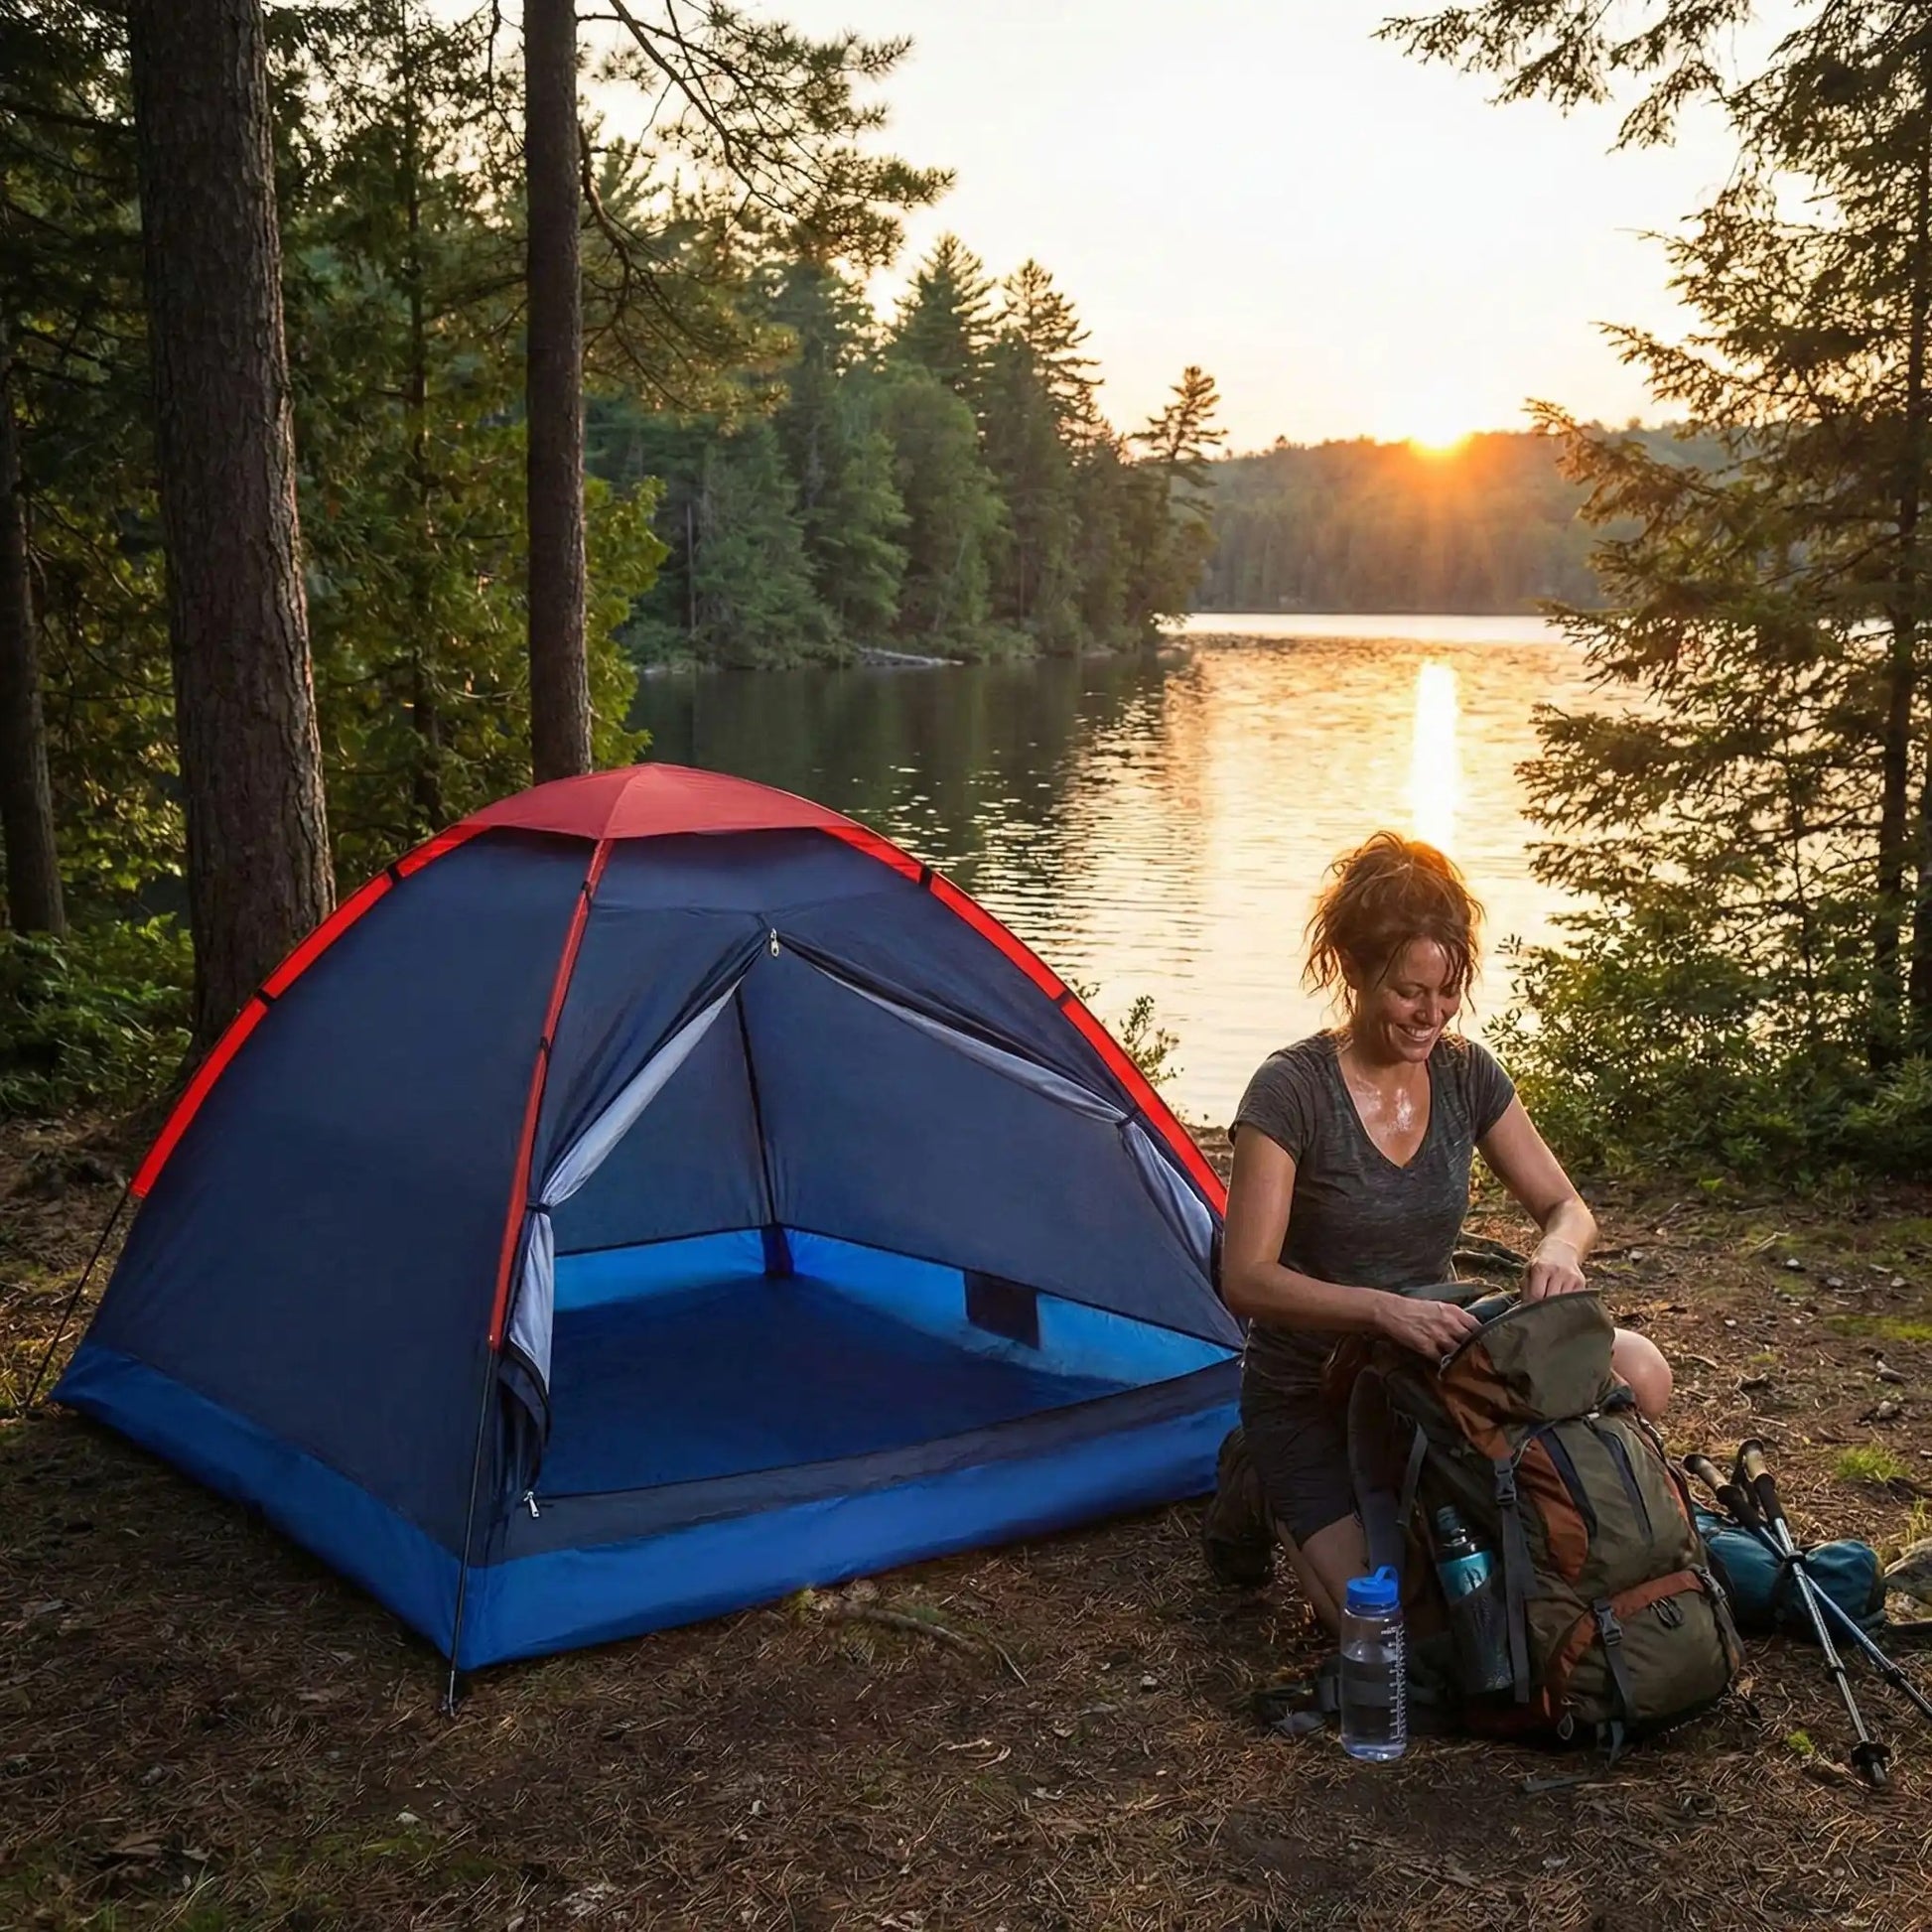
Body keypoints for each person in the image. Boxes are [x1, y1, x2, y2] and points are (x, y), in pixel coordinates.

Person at [1204, 831, 1672, 1632]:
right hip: (1310, 1387)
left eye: (1448, 991)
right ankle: (1260, 1477)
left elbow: (1568, 1208)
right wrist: (1384, 1310)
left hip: (1432, 1369)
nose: (1432, 1015)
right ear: (1354, 971)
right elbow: (1245, 1279)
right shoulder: (1291, 1092)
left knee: (1643, 1371)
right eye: (1409, 992)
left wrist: (1559, 1249)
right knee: (1380, 1627)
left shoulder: (1465, 1072)